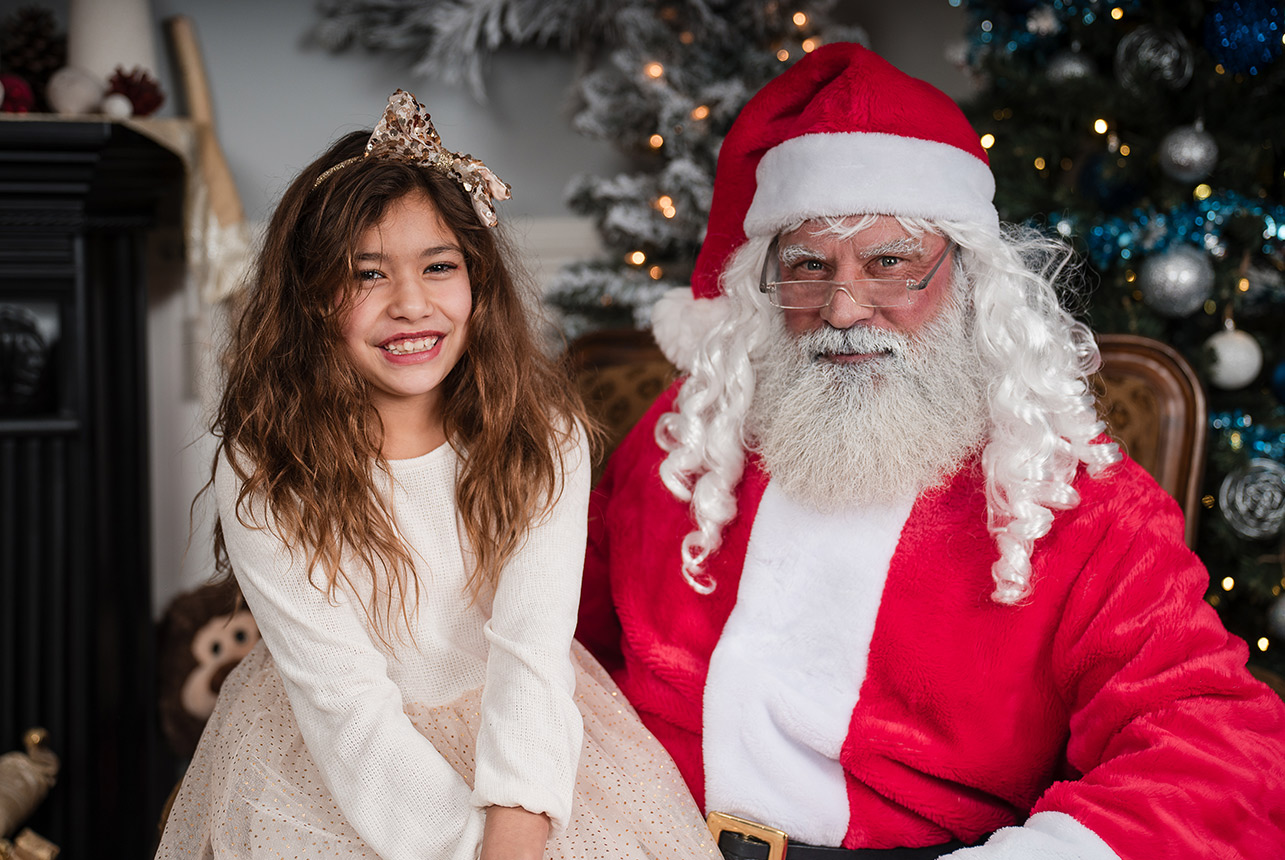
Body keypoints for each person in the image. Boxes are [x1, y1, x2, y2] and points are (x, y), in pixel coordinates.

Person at [576, 43, 1285, 860]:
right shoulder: (689, 432)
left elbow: (1217, 749)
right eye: (808, 267)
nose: (843, 308)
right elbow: (554, 615)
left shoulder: (1074, 497)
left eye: (890, 265)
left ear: (968, 275)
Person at [156, 90, 721, 860]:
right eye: (366, 275)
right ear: (313, 298)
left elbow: (530, 651)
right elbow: (344, 705)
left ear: (478, 281)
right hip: (338, 753)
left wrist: (513, 837)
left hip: (518, 733)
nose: (411, 304)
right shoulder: (264, 463)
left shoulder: (537, 436)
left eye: (438, 266)